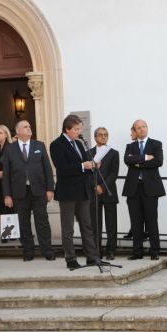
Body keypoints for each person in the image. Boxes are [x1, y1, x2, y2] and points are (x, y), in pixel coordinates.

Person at [50, 114, 101, 269]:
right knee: (68, 228)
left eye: (80, 129)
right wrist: (82, 166)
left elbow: (84, 165)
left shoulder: (78, 144)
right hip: (67, 192)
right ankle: (70, 259)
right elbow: (62, 168)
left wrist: (92, 166)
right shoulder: (56, 144)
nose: (79, 132)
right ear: (67, 129)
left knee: (87, 225)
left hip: (82, 191)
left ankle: (92, 257)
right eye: (76, 129)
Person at [2, 120, 55, 261]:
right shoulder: (10, 149)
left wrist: (50, 189)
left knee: (42, 221)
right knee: (22, 222)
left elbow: (48, 169)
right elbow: (6, 174)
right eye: (26, 127)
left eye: (30, 126)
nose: (29, 128)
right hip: (19, 192)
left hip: (38, 190)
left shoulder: (39, 146)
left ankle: (47, 250)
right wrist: (7, 195)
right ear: (18, 132)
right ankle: (28, 251)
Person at [122, 119, 165, 260]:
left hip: (151, 188)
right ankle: (137, 252)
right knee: (136, 221)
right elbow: (127, 161)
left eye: (144, 127)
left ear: (147, 128)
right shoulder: (130, 146)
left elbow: (158, 161)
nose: (141, 129)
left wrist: (138, 163)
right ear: (134, 130)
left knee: (151, 220)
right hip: (133, 188)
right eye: (138, 128)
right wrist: (146, 158)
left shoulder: (156, 144)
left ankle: (154, 251)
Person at [89, 127, 119, 260]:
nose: (103, 137)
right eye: (100, 135)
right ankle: (97, 250)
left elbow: (114, 173)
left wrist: (102, 187)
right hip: (93, 192)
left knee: (111, 223)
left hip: (109, 191)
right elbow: (86, 173)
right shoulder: (88, 153)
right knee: (95, 223)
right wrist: (95, 186)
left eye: (105, 135)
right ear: (95, 137)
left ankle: (111, 250)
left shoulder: (113, 153)